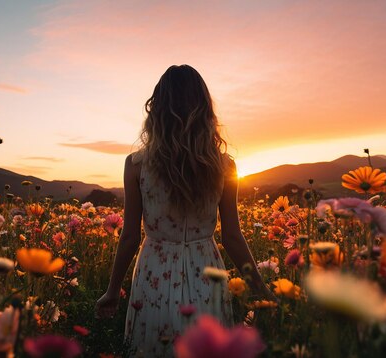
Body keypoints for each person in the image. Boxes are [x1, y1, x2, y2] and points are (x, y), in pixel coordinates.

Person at [95, 64, 275, 357]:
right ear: (204, 108)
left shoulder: (136, 165)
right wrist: (260, 289)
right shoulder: (224, 166)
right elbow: (232, 236)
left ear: (157, 109)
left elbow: (129, 236)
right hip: (207, 272)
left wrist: (112, 290)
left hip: (154, 271)